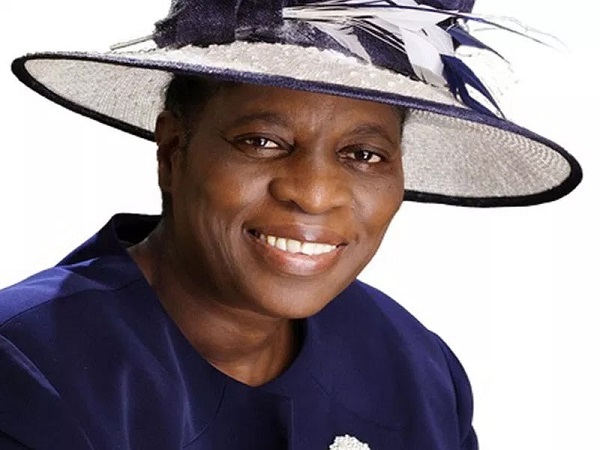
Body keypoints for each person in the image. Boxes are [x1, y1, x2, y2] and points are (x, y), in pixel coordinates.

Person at [0, 0, 582, 449]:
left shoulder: (417, 372)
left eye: (364, 155)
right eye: (262, 142)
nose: (314, 193)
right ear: (173, 151)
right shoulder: (29, 367)